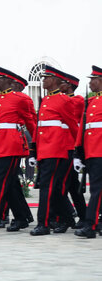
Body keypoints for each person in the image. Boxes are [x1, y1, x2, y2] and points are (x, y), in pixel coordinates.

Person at [0, 67, 36, 233]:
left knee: (0, 183)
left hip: (12, 146)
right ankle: (22, 217)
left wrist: (36, 146)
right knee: (10, 185)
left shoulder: (20, 99)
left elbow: (31, 123)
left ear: (8, 81)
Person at [29, 66, 79, 235]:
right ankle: (68, 218)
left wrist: (78, 150)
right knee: (55, 188)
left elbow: (73, 126)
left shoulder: (64, 100)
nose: (43, 80)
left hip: (57, 148)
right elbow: (39, 127)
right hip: (45, 148)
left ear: (56, 81)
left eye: (46, 77)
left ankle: (42, 224)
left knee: (47, 187)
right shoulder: (46, 100)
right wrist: (34, 150)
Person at [74, 65, 102, 239]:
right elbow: (83, 129)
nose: (90, 82)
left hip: (99, 150)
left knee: (97, 190)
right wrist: (79, 152)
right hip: (92, 151)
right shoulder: (91, 102)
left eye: (93, 79)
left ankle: (90, 223)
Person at [59, 72, 87, 228]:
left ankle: (75, 217)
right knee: (68, 184)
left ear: (69, 85)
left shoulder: (76, 101)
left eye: (61, 83)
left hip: (69, 147)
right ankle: (74, 216)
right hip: (60, 146)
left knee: (68, 184)